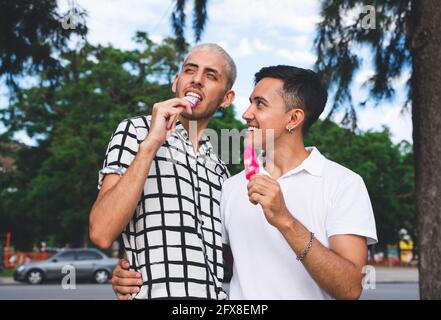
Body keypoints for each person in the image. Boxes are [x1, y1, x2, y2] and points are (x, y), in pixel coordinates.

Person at [111, 65, 377, 300]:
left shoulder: (343, 184)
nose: (246, 113)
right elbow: (207, 258)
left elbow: (350, 289)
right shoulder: (231, 186)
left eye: (260, 104)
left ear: (293, 119)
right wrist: (131, 270)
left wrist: (285, 219)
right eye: (250, 102)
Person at [89, 43, 236, 300]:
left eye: (211, 75)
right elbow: (101, 232)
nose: (197, 80)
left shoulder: (222, 171)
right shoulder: (136, 131)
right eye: (190, 71)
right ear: (176, 82)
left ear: (227, 98)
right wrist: (151, 145)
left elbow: (229, 261)